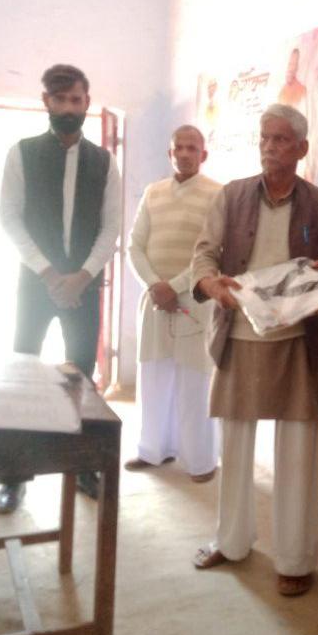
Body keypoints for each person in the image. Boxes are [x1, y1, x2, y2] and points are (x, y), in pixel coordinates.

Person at [190, 103, 318, 597]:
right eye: (264, 138)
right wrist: (209, 283)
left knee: (298, 451)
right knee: (234, 445)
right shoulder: (232, 196)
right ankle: (231, 541)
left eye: (280, 139)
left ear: (302, 148)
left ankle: (295, 560)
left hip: (297, 343)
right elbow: (204, 253)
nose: (269, 147)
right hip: (239, 336)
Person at [0, 63, 122, 512]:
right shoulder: (22, 153)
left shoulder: (104, 161)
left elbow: (111, 227)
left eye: (76, 100)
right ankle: (14, 476)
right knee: (24, 373)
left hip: (84, 287)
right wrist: (50, 274)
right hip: (36, 284)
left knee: (83, 377)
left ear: (86, 103)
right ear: (46, 102)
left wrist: (82, 276)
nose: (69, 108)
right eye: (60, 99)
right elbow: (9, 218)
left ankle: (82, 467)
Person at [124, 125, 222, 482]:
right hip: (155, 301)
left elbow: (214, 250)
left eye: (191, 148)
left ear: (203, 154)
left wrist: (176, 287)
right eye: (178, 147)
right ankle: (153, 450)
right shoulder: (153, 193)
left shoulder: (217, 194)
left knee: (194, 381)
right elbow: (134, 245)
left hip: (194, 300)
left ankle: (200, 461)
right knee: (153, 376)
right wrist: (154, 285)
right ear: (170, 153)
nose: (184, 153)